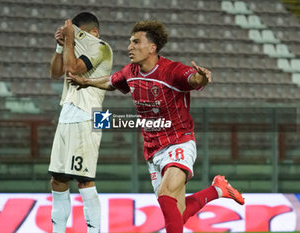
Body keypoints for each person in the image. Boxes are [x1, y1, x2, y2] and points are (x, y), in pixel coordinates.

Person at [67, 20, 244, 233]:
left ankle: (216, 190)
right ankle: (217, 190)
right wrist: (87, 82)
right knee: (176, 214)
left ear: (152, 48)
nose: (129, 47)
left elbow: (194, 79)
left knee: (166, 195)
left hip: (179, 141)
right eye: (130, 42)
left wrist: (202, 78)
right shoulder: (130, 71)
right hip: (153, 150)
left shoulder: (171, 71)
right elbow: (112, 82)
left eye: (135, 42)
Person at [48, 12, 113, 233]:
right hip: (67, 113)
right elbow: (55, 73)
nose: (78, 39)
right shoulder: (71, 48)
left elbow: (72, 69)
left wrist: (69, 41)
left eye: (81, 34)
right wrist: (60, 46)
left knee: (84, 180)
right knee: (58, 180)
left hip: (90, 115)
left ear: (94, 32)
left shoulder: (101, 47)